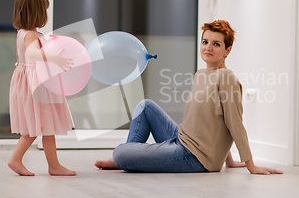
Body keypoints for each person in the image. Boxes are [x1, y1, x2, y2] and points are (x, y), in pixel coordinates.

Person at [95, 20, 283, 175]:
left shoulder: (227, 78)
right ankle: (128, 159)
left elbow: (233, 122)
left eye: (216, 44)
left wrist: (250, 165)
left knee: (120, 153)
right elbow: (213, 125)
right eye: (205, 41)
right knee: (146, 106)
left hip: (195, 157)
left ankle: (125, 158)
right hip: (181, 139)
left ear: (228, 50)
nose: (208, 47)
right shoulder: (200, 74)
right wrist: (230, 161)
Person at [7, 0, 76, 176]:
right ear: (36, 12)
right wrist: (53, 57)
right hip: (36, 85)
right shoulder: (30, 35)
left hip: (29, 82)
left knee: (43, 126)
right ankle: (19, 160)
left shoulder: (23, 33)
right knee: (40, 126)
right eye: (44, 10)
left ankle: (51, 165)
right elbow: (32, 53)